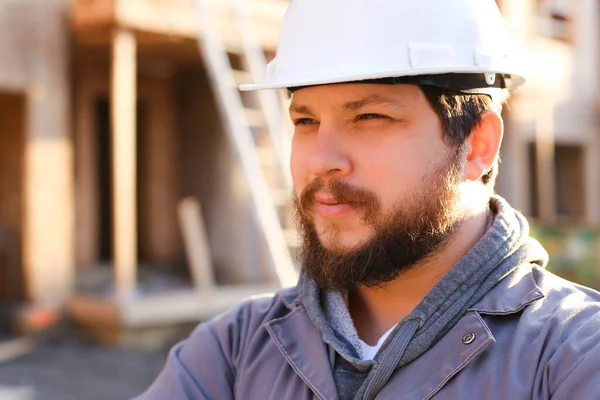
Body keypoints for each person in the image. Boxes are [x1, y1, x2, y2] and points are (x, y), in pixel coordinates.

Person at [136, 0, 600, 398]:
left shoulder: (573, 358)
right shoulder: (232, 353)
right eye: (305, 121)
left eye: (370, 116)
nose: (321, 160)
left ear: (477, 145)